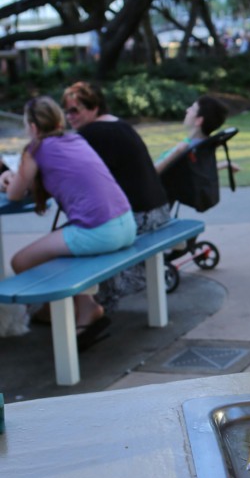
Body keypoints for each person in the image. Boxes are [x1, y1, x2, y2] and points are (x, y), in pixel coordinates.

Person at [0, 96, 136, 342]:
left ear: (33, 127)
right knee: (52, 251)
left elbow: (14, 194)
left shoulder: (36, 149)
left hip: (100, 231)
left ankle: (76, 309)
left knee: (21, 261)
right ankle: (62, 309)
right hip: (126, 223)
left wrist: (6, 178)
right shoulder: (75, 139)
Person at [61, 81, 171, 312]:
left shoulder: (92, 134)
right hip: (159, 211)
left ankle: (90, 304)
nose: (69, 117)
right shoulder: (119, 125)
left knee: (72, 238)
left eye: (75, 110)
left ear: (94, 107)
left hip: (139, 218)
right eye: (66, 111)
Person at [155, 95, 235, 174]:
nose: (187, 110)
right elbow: (195, 172)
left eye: (192, 108)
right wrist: (225, 164)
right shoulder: (203, 146)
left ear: (199, 120)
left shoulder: (186, 148)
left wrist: (176, 152)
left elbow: (152, 174)